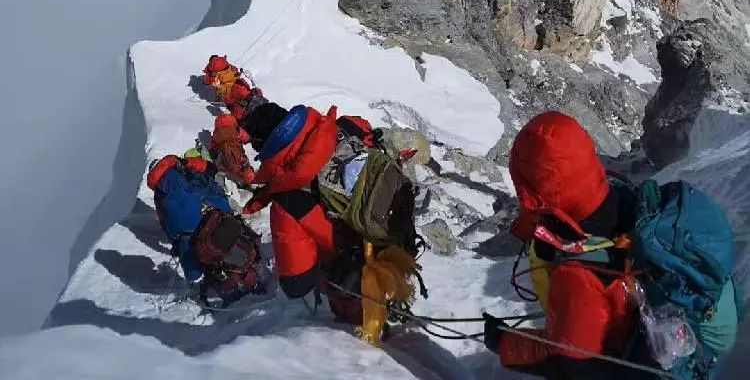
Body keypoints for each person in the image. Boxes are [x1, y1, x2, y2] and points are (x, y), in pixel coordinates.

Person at [483, 112, 739, 380]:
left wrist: (504, 342)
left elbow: (568, 360)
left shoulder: (576, 274)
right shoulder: (625, 195)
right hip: (700, 345)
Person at [238, 101, 422, 340]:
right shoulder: (344, 127)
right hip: (395, 226)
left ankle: (374, 339)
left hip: (358, 280)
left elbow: (297, 284)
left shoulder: (286, 202)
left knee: (338, 281)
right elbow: (370, 135)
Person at [147, 152, 266, 306]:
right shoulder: (182, 166)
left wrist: (178, 244)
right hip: (214, 209)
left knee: (188, 244)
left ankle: (200, 284)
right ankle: (253, 264)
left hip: (191, 230)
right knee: (231, 231)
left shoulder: (159, 196)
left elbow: (168, 226)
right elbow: (207, 173)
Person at [201, 54, 264, 120]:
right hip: (237, 83)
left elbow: (207, 82)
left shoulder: (212, 71)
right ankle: (253, 101)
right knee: (243, 95)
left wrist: (208, 72)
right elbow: (235, 69)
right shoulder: (226, 63)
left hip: (228, 90)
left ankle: (243, 114)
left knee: (234, 103)